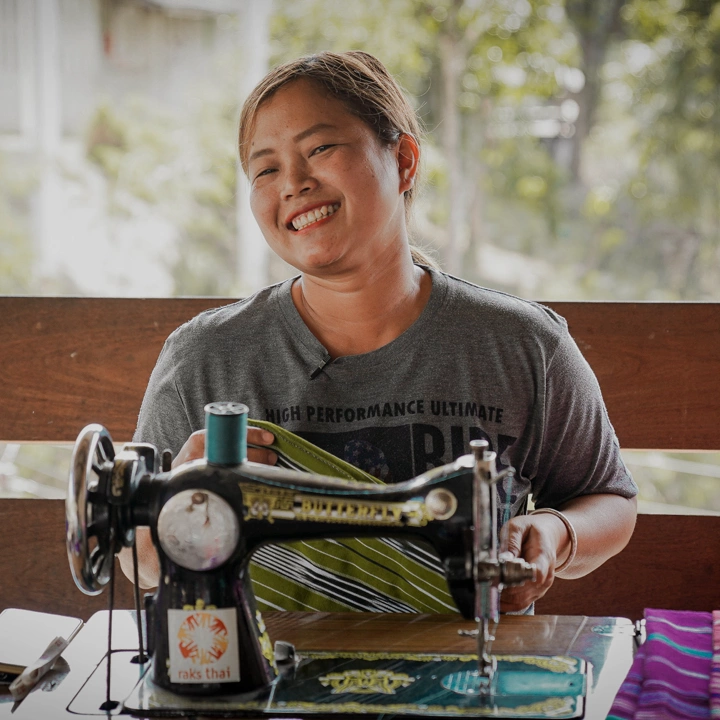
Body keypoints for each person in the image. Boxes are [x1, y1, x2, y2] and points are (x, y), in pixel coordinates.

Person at [119, 50, 637, 614]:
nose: (292, 182)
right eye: (265, 168)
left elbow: (608, 498)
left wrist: (555, 534)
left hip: (461, 667)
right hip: (269, 685)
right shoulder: (205, 359)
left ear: (405, 161)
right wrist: (178, 505)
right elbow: (138, 561)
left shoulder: (519, 345)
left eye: (320, 148)